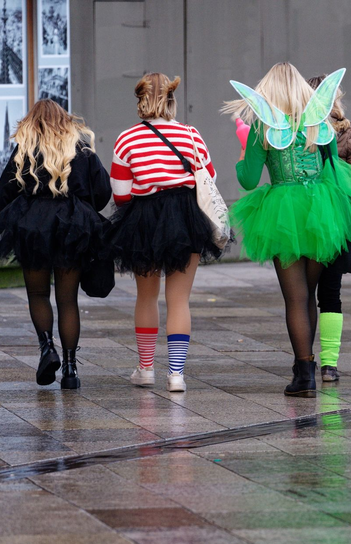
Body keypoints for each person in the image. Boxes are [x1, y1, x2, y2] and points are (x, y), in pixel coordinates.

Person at [224, 63, 351, 397]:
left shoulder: (264, 129)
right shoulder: (321, 125)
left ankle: (303, 373)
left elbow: (248, 179)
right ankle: (309, 366)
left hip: (282, 212)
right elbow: (334, 169)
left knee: (295, 297)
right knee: (310, 291)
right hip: (322, 208)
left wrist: (244, 150)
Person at [106, 73, 223, 393]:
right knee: (179, 300)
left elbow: (121, 193)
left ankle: (145, 369)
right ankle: (176, 375)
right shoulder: (191, 135)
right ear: (171, 100)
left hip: (143, 219)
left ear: (141, 99)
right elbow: (209, 177)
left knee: (146, 296)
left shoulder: (127, 139)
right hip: (187, 219)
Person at [0, 100, 111, 389]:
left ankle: (47, 348)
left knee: (38, 294)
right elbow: (102, 191)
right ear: (65, 120)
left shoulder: (25, 148)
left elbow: (4, 190)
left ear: (32, 122)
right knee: (67, 300)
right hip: (71, 227)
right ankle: (71, 370)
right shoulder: (81, 147)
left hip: (32, 226)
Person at [308, 74, 351, 383]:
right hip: (334, 221)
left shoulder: (294, 133)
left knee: (302, 294)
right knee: (331, 293)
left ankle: (304, 360)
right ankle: (329, 364)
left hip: (298, 220)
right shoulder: (346, 133)